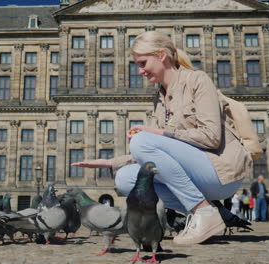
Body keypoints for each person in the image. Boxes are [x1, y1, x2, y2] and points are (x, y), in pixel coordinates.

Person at [71, 31, 252, 245]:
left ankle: (203, 211)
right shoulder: (159, 99)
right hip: (195, 176)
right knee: (125, 178)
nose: (139, 71)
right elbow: (156, 155)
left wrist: (157, 133)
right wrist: (111, 162)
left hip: (219, 170)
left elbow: (211, 137)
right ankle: (211, 212)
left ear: (160, 55)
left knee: (141, 140)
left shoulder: (197, 80)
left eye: (143, 63)